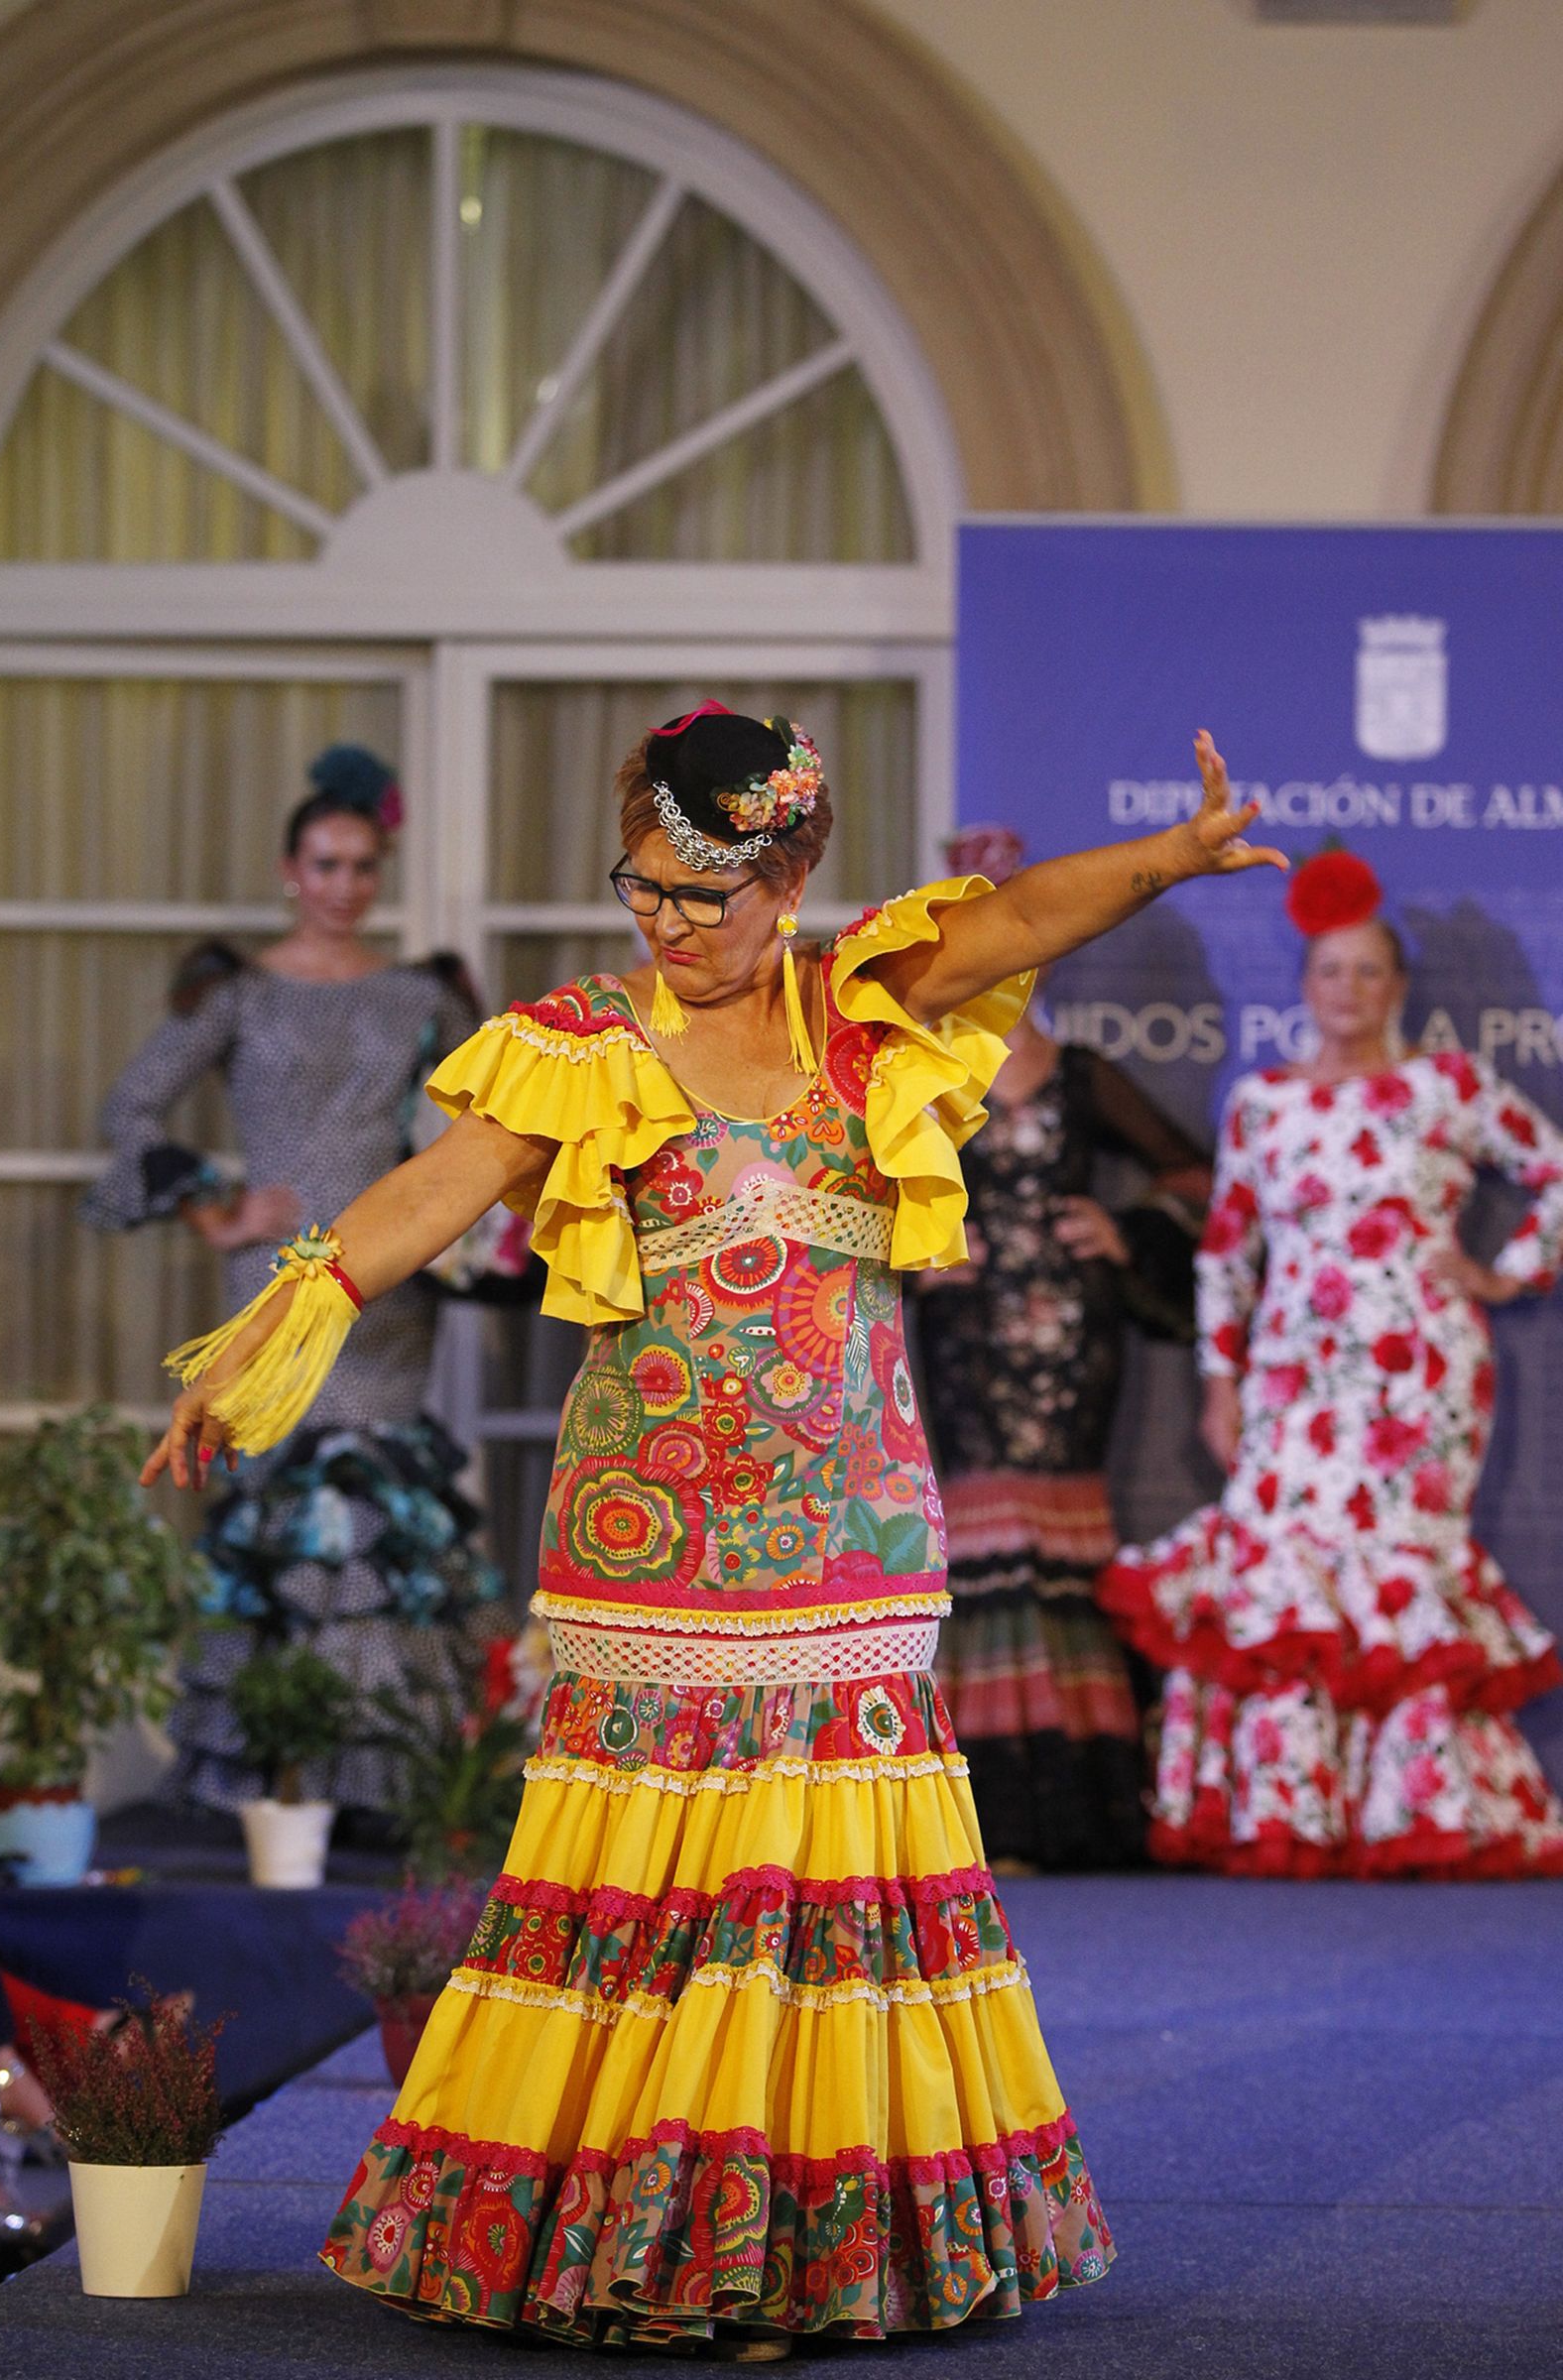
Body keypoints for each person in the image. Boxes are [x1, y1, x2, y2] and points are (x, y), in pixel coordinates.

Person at [145, 715, 1279, 2348]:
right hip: (650, 1547)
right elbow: (430, 1193)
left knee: (821, 1905)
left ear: (790, 878)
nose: (670, 922)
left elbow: (1023, 919)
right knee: (642, 1907)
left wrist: (1172, 855)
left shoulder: (863, 1006)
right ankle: (628, 2236)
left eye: (705, 893)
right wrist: (267, 1337)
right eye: (646, 888)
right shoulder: (585, 1043)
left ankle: (814, 2248)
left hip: (847, 1542)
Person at [1098, 850, 1563, 1878]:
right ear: (1303, 984)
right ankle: (1292, 1810)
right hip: (1291, 1374)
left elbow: (1553, 1168)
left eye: (1367, 970)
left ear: (1397, 985)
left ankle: (1416, 1811)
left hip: (1420, 1374)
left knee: (1399, 1567)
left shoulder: (1446, 1086)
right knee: (1282, 1571)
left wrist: (1504, 1274)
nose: (1347, 988)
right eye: (1329, 970)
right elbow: (1227, 1250)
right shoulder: (1262, 1102)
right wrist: (1220, 1382)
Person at [83, 744, 500, 1812]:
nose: (343, 886)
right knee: (280, 1503)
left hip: (386, 1284)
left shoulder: (421, 994)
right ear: (288, 871)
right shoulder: (241, 994)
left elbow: (487, 1127)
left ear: (379, 873)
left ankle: (380, 1789)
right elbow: (131, 1107)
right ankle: (273, 1789)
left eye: (362, 867)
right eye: (325, 865)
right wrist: (217, 1207)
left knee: (371, 1514)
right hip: (271, 1285)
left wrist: (469, 1235)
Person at [916, 825, 1211, 1873]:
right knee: (984, 1545)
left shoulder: (1081, 1073)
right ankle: (984, 1822)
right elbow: (844, 1190)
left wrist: (1123, 1230)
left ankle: (1079, 1815)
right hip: (968, 1342)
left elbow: (1193, 1173)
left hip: (1074, 1342)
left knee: (1061, 1547)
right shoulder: (919, 1071)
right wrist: (921, 1248)